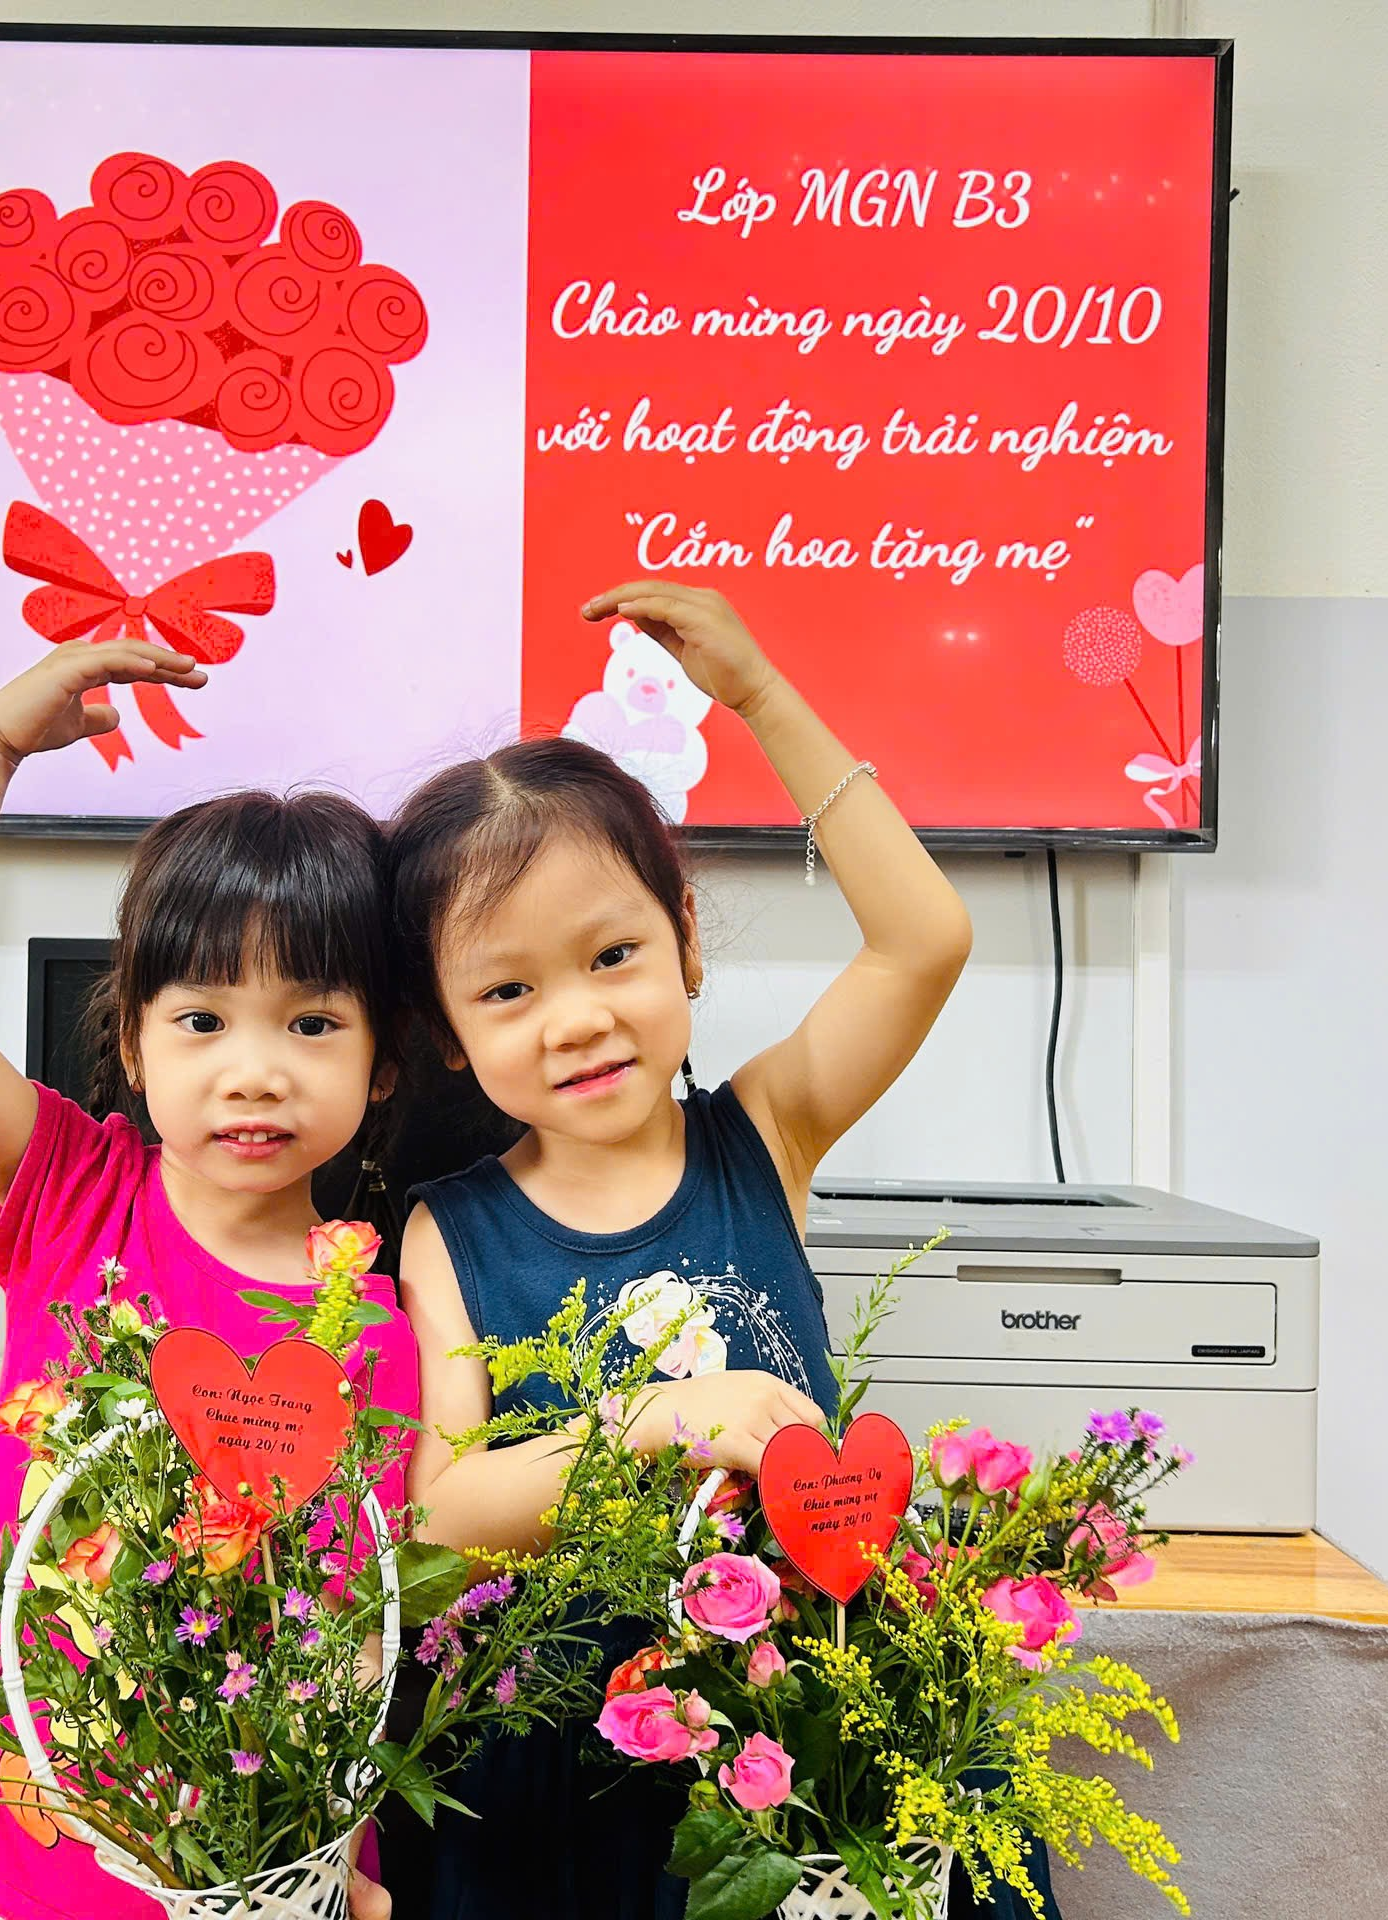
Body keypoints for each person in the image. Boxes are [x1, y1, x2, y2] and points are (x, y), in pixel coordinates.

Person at [385, 581, 987, 1920]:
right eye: (507, 990)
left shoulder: (765, 1132)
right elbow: (437, 1519)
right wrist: (655, 1418)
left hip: (806, 1746)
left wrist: (759, 695)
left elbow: (924, 939)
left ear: (687, 944)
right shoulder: (450, 1230)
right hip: (567, 1786)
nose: (574, 1019)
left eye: (613, 955)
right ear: (445, 1034)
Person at [0, 637, 412, 1920]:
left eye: (312, 1023)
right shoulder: (74, 1192)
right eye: (202, 1020)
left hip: (254, 1860)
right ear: (136, 1047)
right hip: (30, 1831)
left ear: (382, 1065)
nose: (254, 1071)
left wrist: (340, 1859)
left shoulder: (385, 1324)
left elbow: (353, 1637)